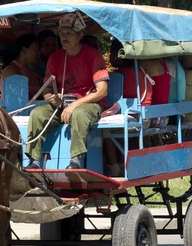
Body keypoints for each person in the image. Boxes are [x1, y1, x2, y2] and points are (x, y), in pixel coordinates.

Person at [25, 13, 109, 170]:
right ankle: (34, 160)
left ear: (79, 35)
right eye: (61, 33)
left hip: (90, 103)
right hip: (63, 104)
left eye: (69, 33)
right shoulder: (55, 58)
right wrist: (52, 99)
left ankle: (75, 160)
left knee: (79, 113)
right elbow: (48, 90)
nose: (64, 37)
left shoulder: (93, 55)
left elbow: (102, 91)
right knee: (37, 113)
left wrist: (74, 105)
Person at [105, 39, 154, 176]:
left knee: (105, 131)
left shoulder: (117, 75)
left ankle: (113, 165)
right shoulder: (142, 71)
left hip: (136, 117)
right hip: (145, 116)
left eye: (112, 53)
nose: (109, 58)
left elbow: (112, 101)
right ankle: (121, 163)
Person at [1, 34, 44, 101]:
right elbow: (16, 99)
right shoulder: (11, 70)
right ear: (24, 50)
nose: (39, 53)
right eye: (36, 49)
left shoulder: (32, 73)